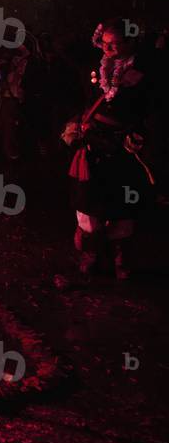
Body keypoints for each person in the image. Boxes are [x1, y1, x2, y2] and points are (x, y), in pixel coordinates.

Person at [61, 18, 153, 281]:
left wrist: (140, 133)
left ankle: (120, 258)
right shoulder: (95, 68)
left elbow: (151, 108)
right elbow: (83, 99)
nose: (108, 49)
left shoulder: (143, 72)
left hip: (123, 144)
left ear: (128, 42)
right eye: (105, 43)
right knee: (88, 199)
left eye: (115, 44)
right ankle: (89, 256)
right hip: (93, 142)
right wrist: (76, 123)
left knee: (123, 203)